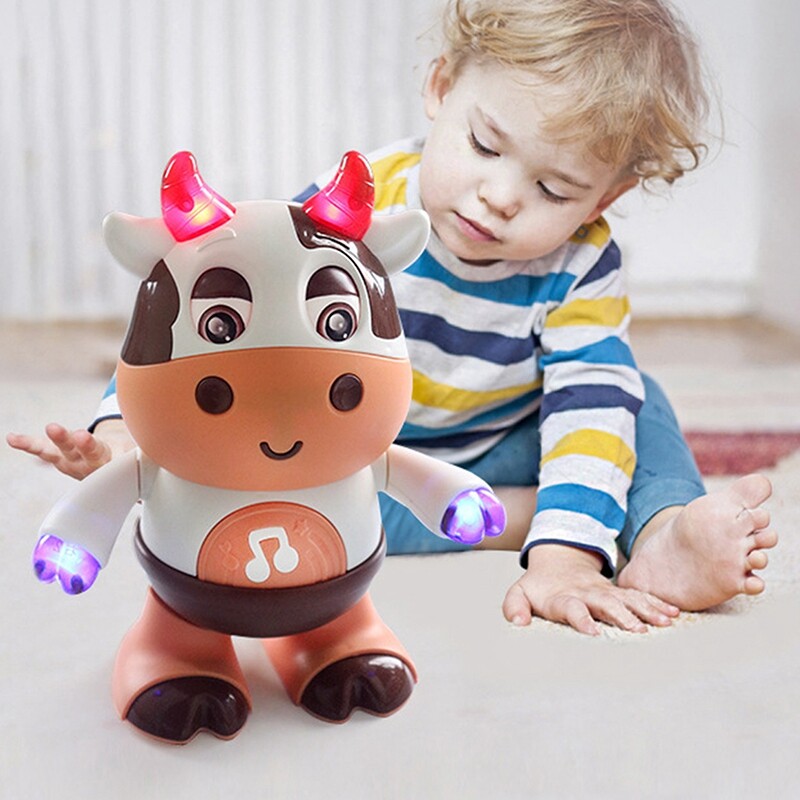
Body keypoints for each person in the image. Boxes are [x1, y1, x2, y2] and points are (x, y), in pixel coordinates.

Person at [8, 0, 776, 636]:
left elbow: (588, 410)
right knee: (290, 498)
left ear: (603, 198)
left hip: (509, 439)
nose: (501, 196)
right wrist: (123, 429)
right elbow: (211, 320)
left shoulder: (582, 263)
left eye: (554, 189)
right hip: (366, 455)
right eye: (484, 145)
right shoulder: (349, 212)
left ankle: (661, 531)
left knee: (629, 399)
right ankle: (522, 517)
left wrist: (565, 560)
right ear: (441, 88)